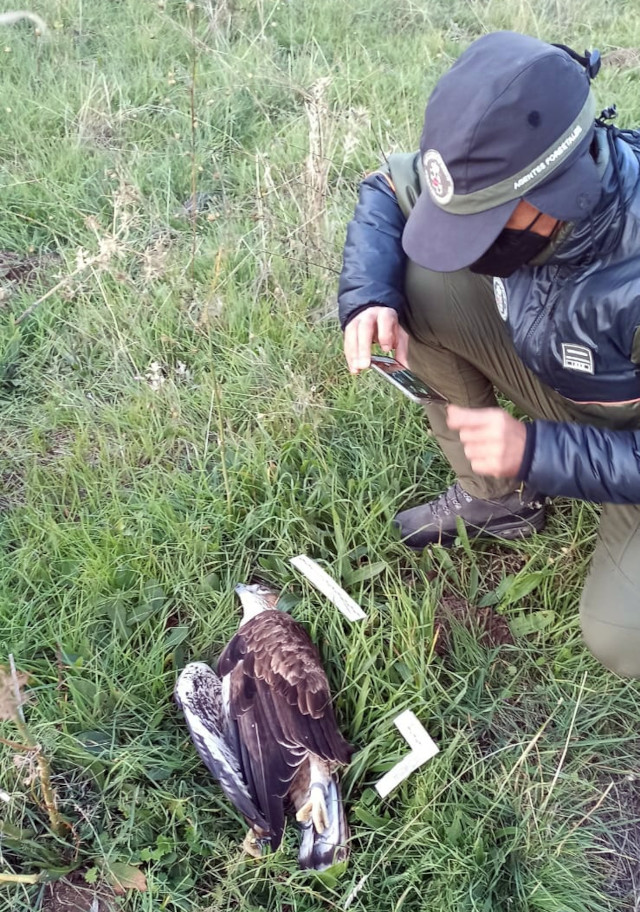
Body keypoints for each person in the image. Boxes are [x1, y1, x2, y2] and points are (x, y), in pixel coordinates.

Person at [337, 31, 640, 677]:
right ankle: (498, 497)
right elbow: (387, 187)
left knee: (621, 637)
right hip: (580, 382)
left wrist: (538, 450)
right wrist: (369, 298)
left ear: (555, 193)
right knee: (416, 285)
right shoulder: (498, 169)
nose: (464, 244)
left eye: (481, 224)